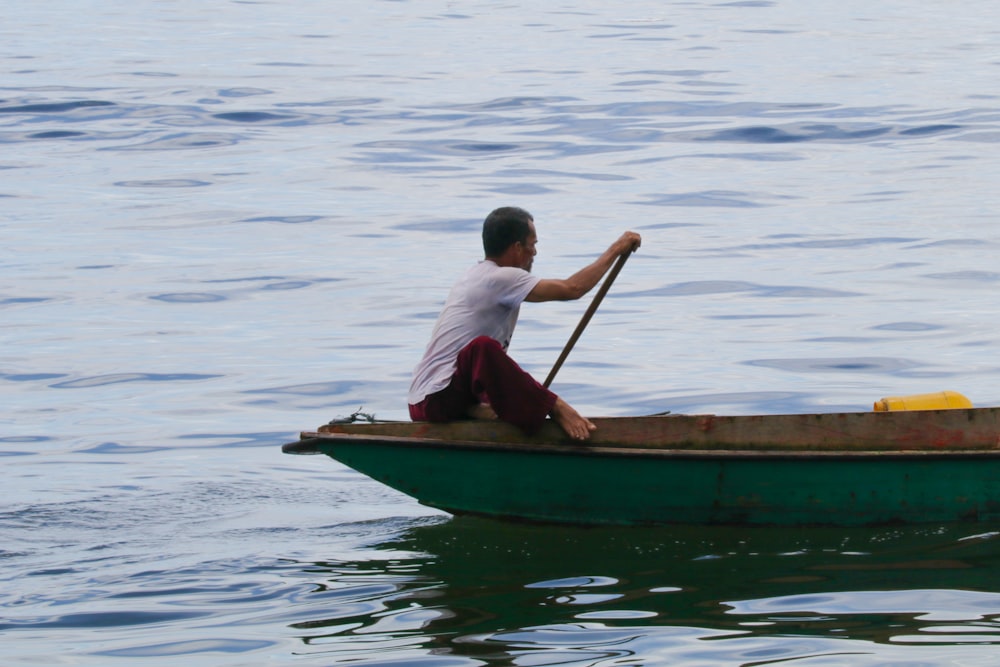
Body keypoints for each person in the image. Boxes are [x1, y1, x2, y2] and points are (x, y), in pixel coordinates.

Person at [407, 206, 641, 440]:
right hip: (436, 399)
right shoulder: (499, 278)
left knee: (489, 355)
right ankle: (555, 407)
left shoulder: (475, 274)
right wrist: (616, 249)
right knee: (484, 348)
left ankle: (477, 410)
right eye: (533, 244)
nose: (535, 253)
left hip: (424, 399)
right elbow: (573, 289)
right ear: (517, 248)